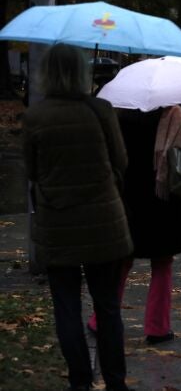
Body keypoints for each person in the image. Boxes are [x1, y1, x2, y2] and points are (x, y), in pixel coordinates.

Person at [23, 43, 133, 391]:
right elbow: (121, 162)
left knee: (67, 308)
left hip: (58, 225)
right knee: (108, 308)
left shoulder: (35, 116)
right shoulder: (100, 109)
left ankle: (80, 382)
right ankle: (116, 382)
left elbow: (32, 170)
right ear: (82, 72)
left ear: (47, 73)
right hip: (104, 225)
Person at [88, 105, 181, 345]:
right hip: (164, 204)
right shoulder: (178, 120)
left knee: (120, 264)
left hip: (127, 203)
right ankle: (157, 328)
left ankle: (102, 322)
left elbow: (109, 159)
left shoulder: (118, 120)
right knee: (162, 264)